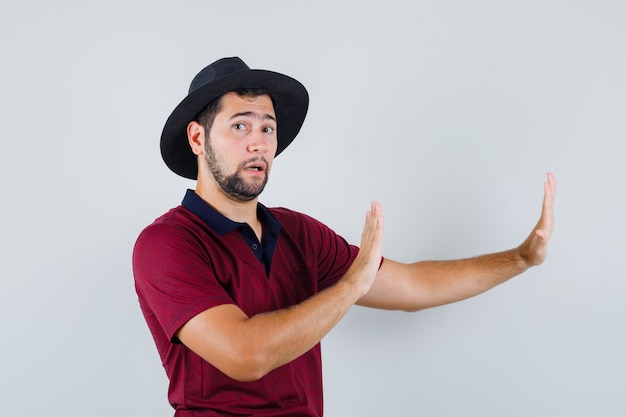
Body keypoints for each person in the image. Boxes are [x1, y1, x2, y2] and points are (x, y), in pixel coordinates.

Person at [132, 57, 556, 417]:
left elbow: (411, 286)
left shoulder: (299, 232)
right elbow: (247, 354)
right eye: (240, 127)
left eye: (267, 129)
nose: (258, 144)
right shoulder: (167, 244)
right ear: (197, 138)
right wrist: (353, 284)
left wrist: (520, 258)